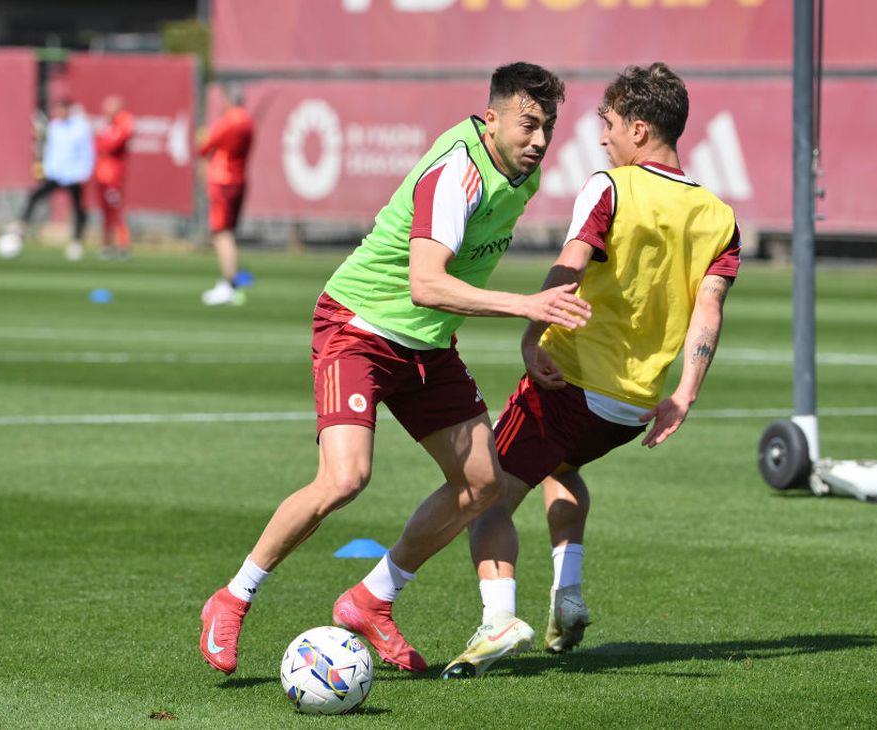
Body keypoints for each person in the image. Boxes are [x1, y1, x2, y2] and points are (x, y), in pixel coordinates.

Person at [199, 62, 586, 676]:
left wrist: (527, 334)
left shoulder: (521, 175)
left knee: (484, 484)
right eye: (528, 124)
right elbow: (427, 283)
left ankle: (370, 600)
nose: (539, 140)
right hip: (359, 327)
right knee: (345, 478)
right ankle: (232, 597)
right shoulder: (457, 171)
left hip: (427, 345)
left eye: (549, 127)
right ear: (492, 118)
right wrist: (527, 307)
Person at [437, 62, 742, 679]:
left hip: (570, 381)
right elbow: (708, 310)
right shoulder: (719, 216)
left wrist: (531, 336)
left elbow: (570, 264)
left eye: (606, 125)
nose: (599, 137)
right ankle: (568, 594)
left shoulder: (611, 186)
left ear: (636, 128)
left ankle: (497, 622)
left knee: (488, 496)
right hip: (632, 407)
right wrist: (683, 393)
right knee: (563, 469)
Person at [11, 98, 94, 261]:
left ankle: (76, 241)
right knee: (34, 196)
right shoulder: (55, 127)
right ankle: (21, 228)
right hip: (56, 173)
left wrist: (84, 172)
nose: (60, 113)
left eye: (63, 110)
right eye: (58, 110)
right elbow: (50, 150)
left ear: (69, 110)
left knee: (78, 209)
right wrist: (46, 169)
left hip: (74, 175)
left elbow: (87, 151)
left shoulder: (80, 128)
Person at [198, 85, 253, 306]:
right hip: (239, 179)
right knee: (227, 232)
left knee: (222, 233)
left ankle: (228, 283)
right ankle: (230, 281)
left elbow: (205, 146)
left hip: (223, 180)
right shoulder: (248, 121)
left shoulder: (230, 121)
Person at [93, 95, 134, 259]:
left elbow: (110, 144)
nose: (105, 110)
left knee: (116, 210)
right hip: (102, 175)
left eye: (109, 106)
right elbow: (99, 145)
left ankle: (123, 245)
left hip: (113, 176)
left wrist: (102, 142)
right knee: (106, 212)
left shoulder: (124, 121)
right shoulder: (108, 124)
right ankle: (107, 245)